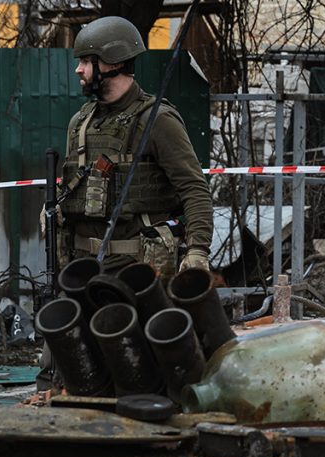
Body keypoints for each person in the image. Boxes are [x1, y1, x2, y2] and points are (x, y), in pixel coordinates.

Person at [58, 16, 213, 278]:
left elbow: (194, 188)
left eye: (86, 61)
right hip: (80, 269)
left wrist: (198, 250)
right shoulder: (81, 122)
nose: (78, 70)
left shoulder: (156, 120)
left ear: (114, 62)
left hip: (138, 272)